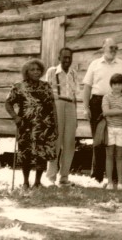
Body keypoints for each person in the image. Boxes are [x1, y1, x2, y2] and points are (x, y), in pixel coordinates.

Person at [82, 38, 122, 184]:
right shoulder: (95, 64)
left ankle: (116, 178)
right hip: (97, 103)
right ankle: (97, 177)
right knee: (99, 140)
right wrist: (86, 108)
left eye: (116, 48)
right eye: (111, 47)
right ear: (103, 47)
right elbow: (87, 88)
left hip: (118, 102)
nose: (113, 50)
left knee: (116, 141)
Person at [5, 59, 57, 190]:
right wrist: (15, 117)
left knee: (41, 153)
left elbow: (52, 106)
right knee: (26, 152)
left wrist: (55, 125)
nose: (36, 72)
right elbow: (8, 103)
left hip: (44, 126)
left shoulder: (46, 86)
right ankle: (26, 182)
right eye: (32, 69)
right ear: (26, 72)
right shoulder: (18, 87)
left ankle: (38, 182)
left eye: (38, 69)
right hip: (25, 125)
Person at [44, 47, 77, 187]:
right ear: (59, 58)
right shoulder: (52, 71)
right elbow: (46, 93)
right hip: (56, 104)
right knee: (55, 141)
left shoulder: (74, 73)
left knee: (69, 143)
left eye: (69, 57)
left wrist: (75, 114)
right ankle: (50, 177)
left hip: (70, 105)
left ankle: (64, 178)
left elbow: (74, 95)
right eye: (64, 57)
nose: (67, 60)